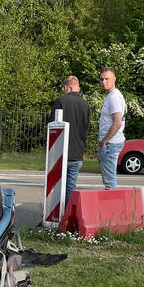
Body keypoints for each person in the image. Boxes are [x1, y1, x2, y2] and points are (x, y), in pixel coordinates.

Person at [50, 75, 91, 206]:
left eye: (64, 88)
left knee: (56, 188)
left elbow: (52, 125)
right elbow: (86, 127)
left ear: (68, 87)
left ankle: (56, 214)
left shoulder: (60, 101)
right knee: (70, 187)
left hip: (60, 152)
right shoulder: (86, 105)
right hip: (77, 153)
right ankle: (67, 216)